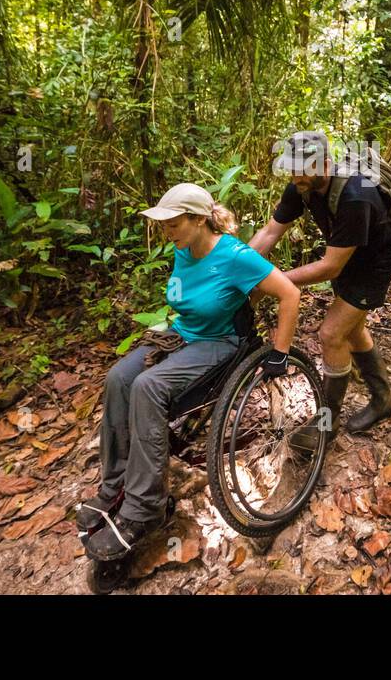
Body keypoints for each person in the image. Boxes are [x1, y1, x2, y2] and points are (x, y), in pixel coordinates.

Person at [77, 182, 300, 561]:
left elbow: (289, 293)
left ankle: (144, 507)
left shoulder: (234, 255)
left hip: (220, 342)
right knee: (118, 378)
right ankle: (115, 485)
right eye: (164, 226)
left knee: (148, 386)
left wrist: (280, 353)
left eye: (172, 224)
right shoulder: (183, 248)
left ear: (199, 220)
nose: (166, 232)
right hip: (182, 335)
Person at [248, 131, 391, 450]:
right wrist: (241, 270)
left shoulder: (356, 195)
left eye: (302, 168)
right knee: (352, 331)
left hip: (373, 263)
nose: (295, 176)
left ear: (325, 164)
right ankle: (382, 399)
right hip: (346, 255)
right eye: (291, 168)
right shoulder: (301, 185)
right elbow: (270, 231)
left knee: (332, 333)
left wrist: (273, 281)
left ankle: (326, 426)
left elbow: (329, 267)